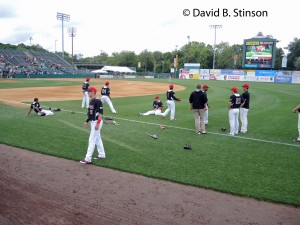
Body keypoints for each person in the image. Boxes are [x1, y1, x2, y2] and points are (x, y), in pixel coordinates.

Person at [80, 87, 106, 164]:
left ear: (93, 92)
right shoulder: (92, 101)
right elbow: (91, 114)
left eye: (89, 92)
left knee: (91, 140)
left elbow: (101, 113)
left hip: (96, 122)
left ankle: (88, 159)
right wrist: (87, 121)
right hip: (92, 122)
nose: (88, 93)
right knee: (97, 139)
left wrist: (97, 123)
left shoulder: (98, 101)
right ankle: (102, 154)